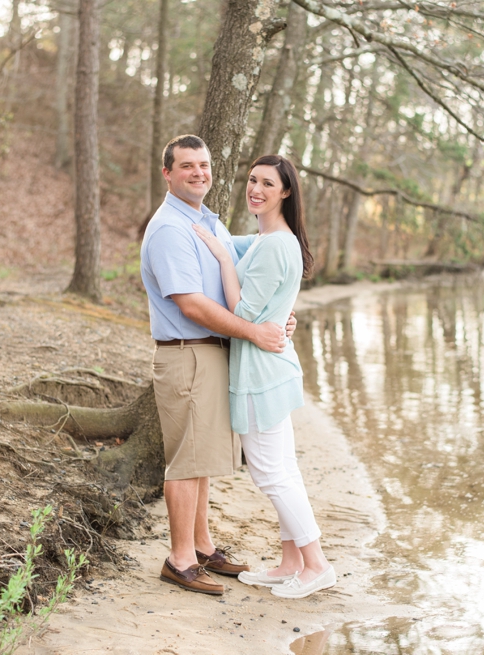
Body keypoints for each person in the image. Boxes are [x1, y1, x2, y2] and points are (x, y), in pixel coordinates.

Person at [140, 135, 294, 596]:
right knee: (186, 462)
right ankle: (180, 559)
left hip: (210, 353)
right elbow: (191, 305)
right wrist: (254, 331)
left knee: (201, 455)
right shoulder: (170, 228)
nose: (198, 173)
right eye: (186, 166)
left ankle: (203, 547)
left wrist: (280, 311)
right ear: (167, 173)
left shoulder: (207, 222)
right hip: (188, 351)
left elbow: (262, 257)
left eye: (203, 165)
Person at [192, 155, 335, 599]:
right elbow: (234, 244)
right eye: (252, 180)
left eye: (267, 184)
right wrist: (217, 242)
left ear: (285, 192)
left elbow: (243, 313)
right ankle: (291, 562)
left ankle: (316, 564)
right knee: (283, 470)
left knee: (273, 474)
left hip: (261, 374)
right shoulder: (269, 238)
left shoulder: (275, 244)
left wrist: (221, 260)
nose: (255, 188)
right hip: (272, 369)